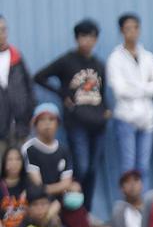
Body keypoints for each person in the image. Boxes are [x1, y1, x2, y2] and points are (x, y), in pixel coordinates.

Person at [33, 19, 107, 211]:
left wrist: (106, 112)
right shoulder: (67, 60)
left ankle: (86, 211)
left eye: (91, 37)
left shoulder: (98, 64)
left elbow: (103, 91)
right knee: (80, 168)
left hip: (98, 124)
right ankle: (70, 208)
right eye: (83, 36)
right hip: (77, 124)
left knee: (92, 170)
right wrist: (63, 94)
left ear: (96, 39)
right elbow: (39, 77)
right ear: (76, 38)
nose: (87, 41)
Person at [106, 14, 153, 179]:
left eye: (135, 28)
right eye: (128, 29)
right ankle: (128, 204)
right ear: (121, 31)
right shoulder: (115, 58)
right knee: (128, 166)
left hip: (147, 118)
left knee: (143, 167)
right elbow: (120, 91)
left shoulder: (147, 56)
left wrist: (135, 87)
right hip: (125, 117)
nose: (132, 32)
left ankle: (141, 204)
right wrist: (146, 87)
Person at [21, 103, 73, 199]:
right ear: (35, 124)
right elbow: (37, 183)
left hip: (58, 201)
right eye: (42, 120)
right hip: (35, 202)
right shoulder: (28, 148)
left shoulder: (64, 150)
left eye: (51, 119)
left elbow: (66, 182)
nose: (47, 123)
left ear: (58, 124)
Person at [0, 16, 35, 153]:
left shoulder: (17, 57)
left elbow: (29, 87)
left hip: (21, 128)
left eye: (3, 30)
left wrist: (28, 113)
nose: (1, 34)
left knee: (24, 169)